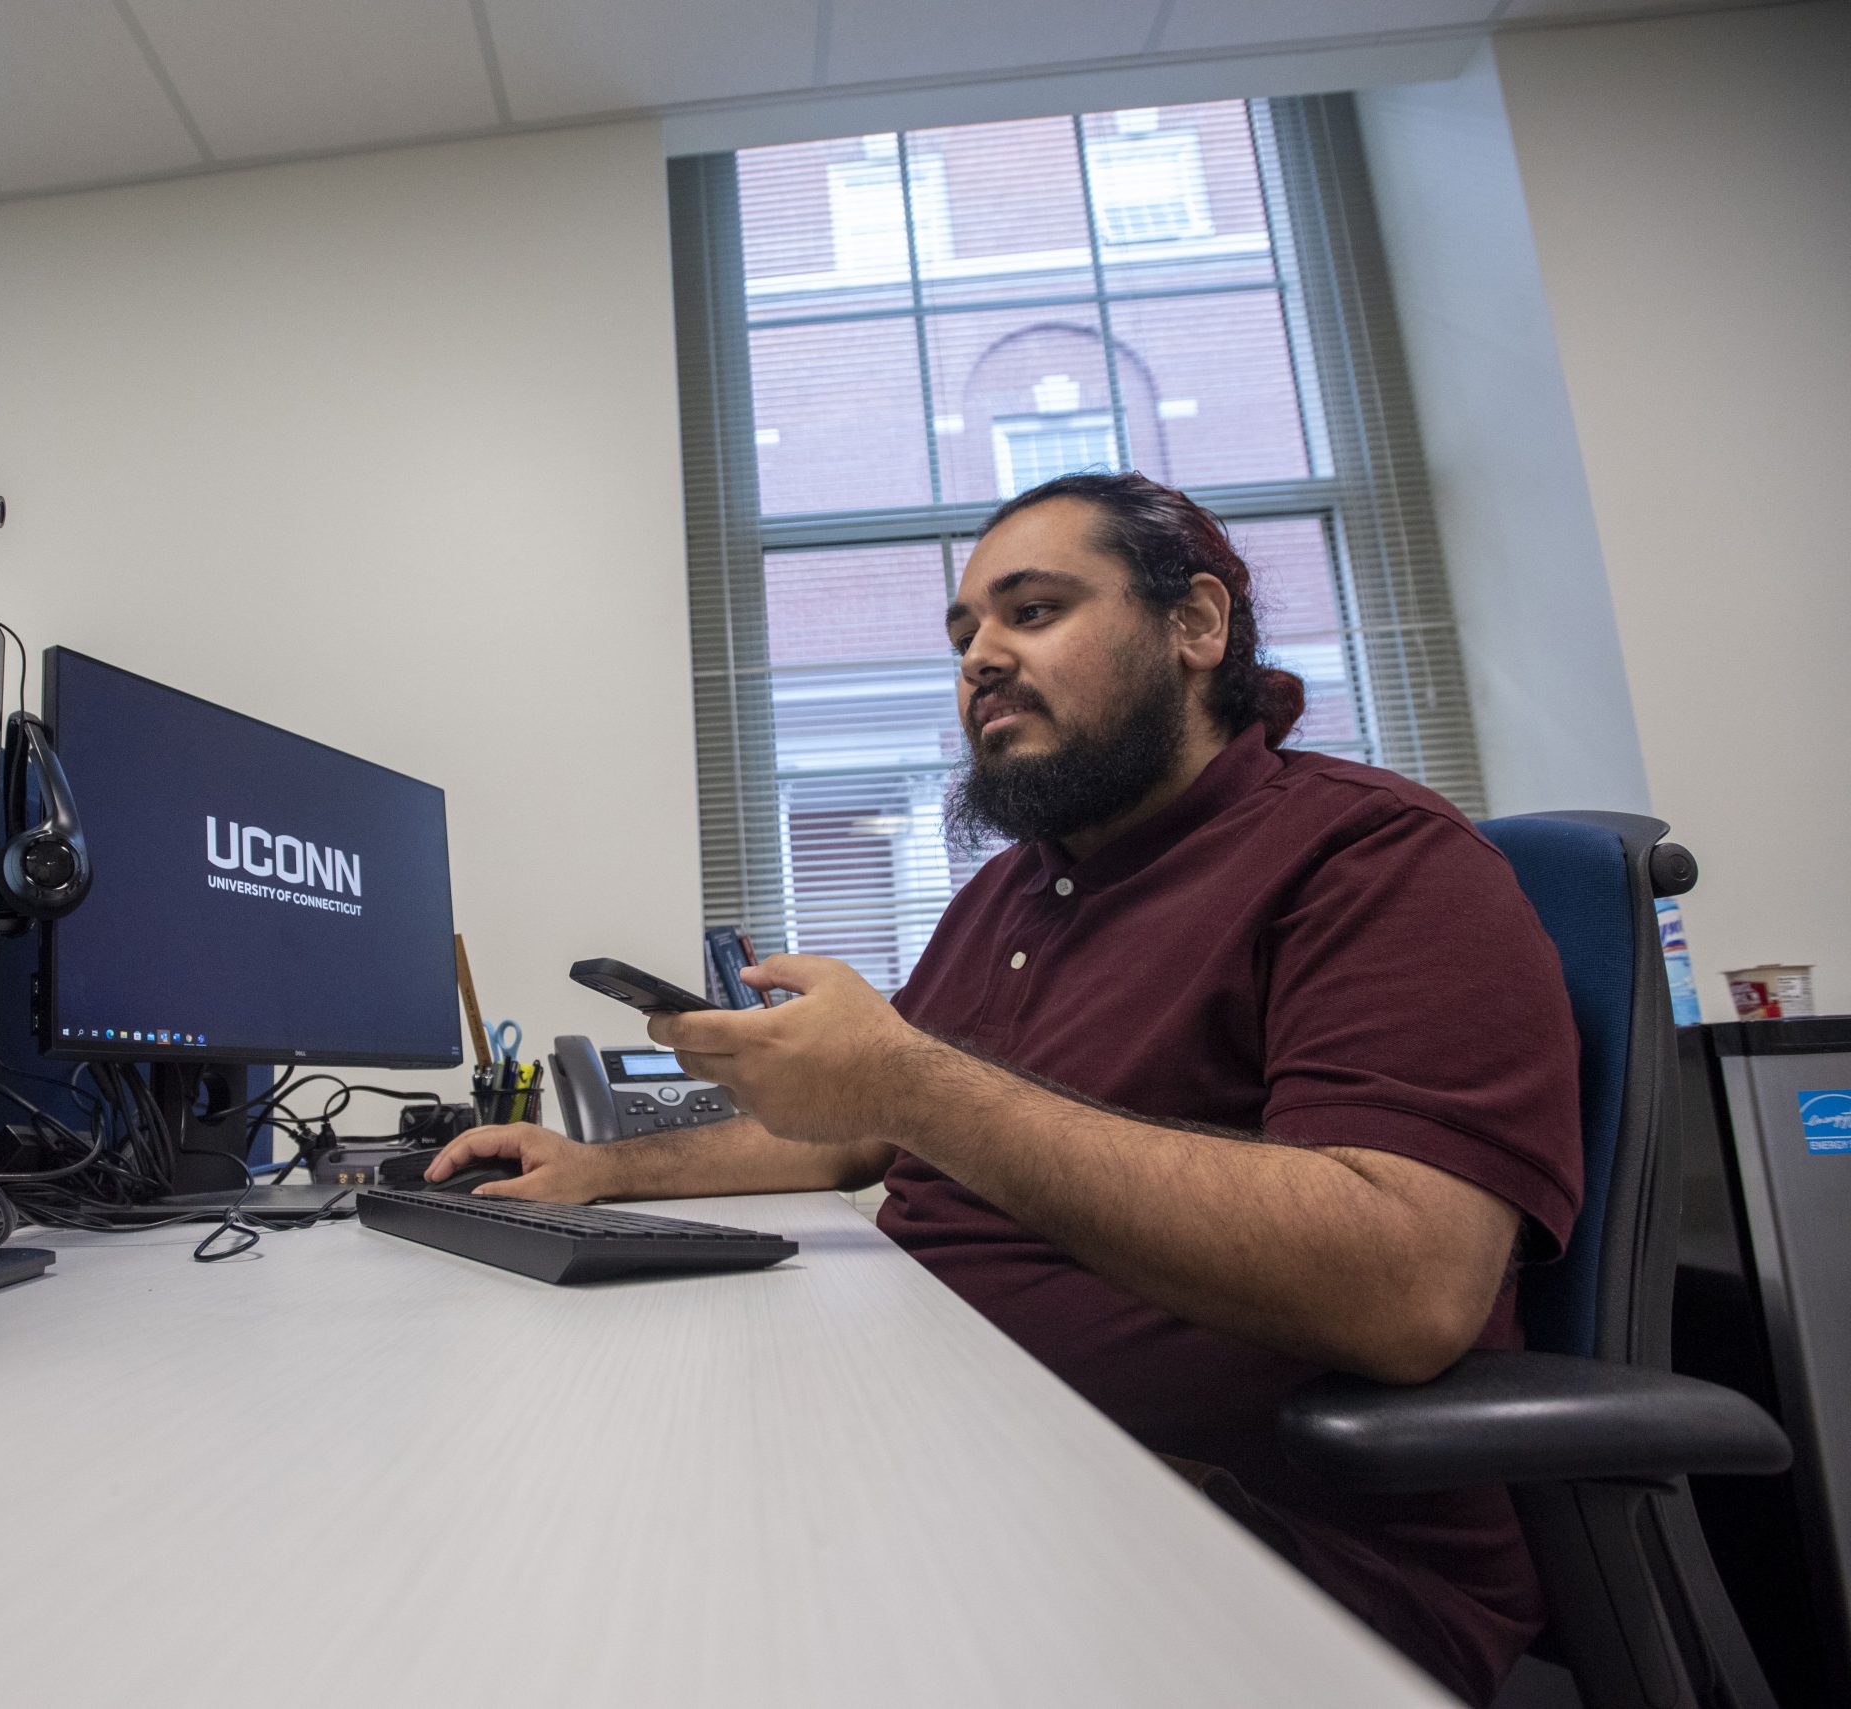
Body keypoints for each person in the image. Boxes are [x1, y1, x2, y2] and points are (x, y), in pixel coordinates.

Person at [427, 471, 1582, 1706]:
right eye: (965, 633)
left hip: (1260, 1543)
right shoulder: (1016, 890)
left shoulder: (1373, 858)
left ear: (1194, 625)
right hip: (958, 1443)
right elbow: (854, 1136)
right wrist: (601, 1169)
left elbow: (1405, 1285)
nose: (980, 657)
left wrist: (909, 1077)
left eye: (1032, 611)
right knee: (547, 1527)